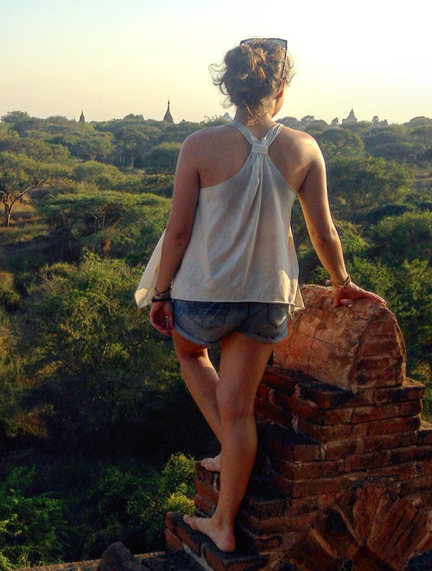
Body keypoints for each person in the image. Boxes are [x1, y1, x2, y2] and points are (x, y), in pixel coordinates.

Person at [147, 38, 386, 553]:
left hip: (206, 293)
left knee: (191, 353)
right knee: (238, 412)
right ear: (280, 88)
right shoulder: (304, 147)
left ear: (229, 87)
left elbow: (179, 231)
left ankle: (228, 481)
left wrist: (161, 293)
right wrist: (342, 283)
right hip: (270, 298)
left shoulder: (200, 145)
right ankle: (226, 512)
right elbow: (323, 234)